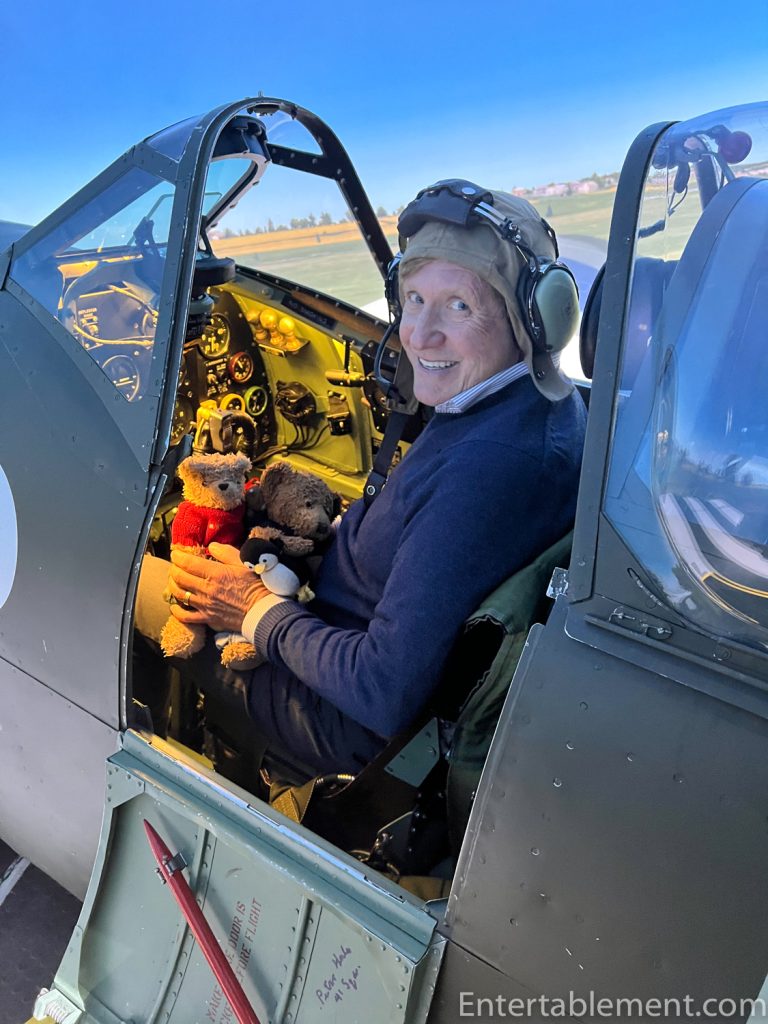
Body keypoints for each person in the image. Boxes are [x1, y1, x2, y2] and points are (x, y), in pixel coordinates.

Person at [138, 182, 587, 781]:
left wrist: (251, 608)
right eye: (415, 299)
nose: (419, 335)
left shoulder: (486, 469)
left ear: (534, 319)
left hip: (338, 714)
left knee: (129, 575)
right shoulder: (537, 406)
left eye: (459, 306)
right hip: (333, 625)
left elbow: (380, 690)